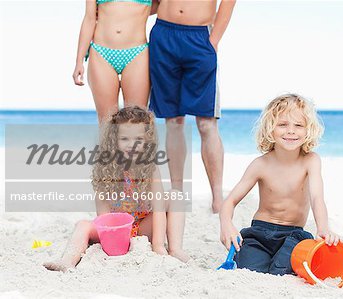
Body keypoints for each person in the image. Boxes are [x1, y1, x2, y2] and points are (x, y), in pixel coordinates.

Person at [43, 107, 187, 272]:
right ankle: (67, 260)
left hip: (141, 227)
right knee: (83, 225)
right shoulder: (104, 168)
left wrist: (158, 245)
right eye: (124, 138)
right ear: (113, 139)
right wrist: (113, 240)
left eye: (138, 139)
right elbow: (103, 216)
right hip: (114, 231)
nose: (132, 145)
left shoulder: (150, 167)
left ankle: (175, 249)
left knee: (175, 196)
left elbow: (159, 208)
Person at [219, 94, 341, 275]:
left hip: (293, 234)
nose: (290, 131)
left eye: (298, 125)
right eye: (283, 124)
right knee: (251, 267)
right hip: (260, 233)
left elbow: (317, 198)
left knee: (282, 268)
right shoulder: (260, 164)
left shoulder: (311, 161)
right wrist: (226, 225)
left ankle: (280, 264)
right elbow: (229, 201)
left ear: (308, 130)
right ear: (270, 128)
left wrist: (323, 227)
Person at [149, 0, 236, 213]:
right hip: (164, 33)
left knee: (207, 124)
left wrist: (213, 41)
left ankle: (217, 198)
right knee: (174, 121)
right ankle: (177, 192)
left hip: (200, 36)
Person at [74, 0, 156, 121]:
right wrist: (79, 61)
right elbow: (89, 19)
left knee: (137, 120)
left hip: (137, 54)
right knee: (106, 123)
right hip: (101, 53)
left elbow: (165, 6)